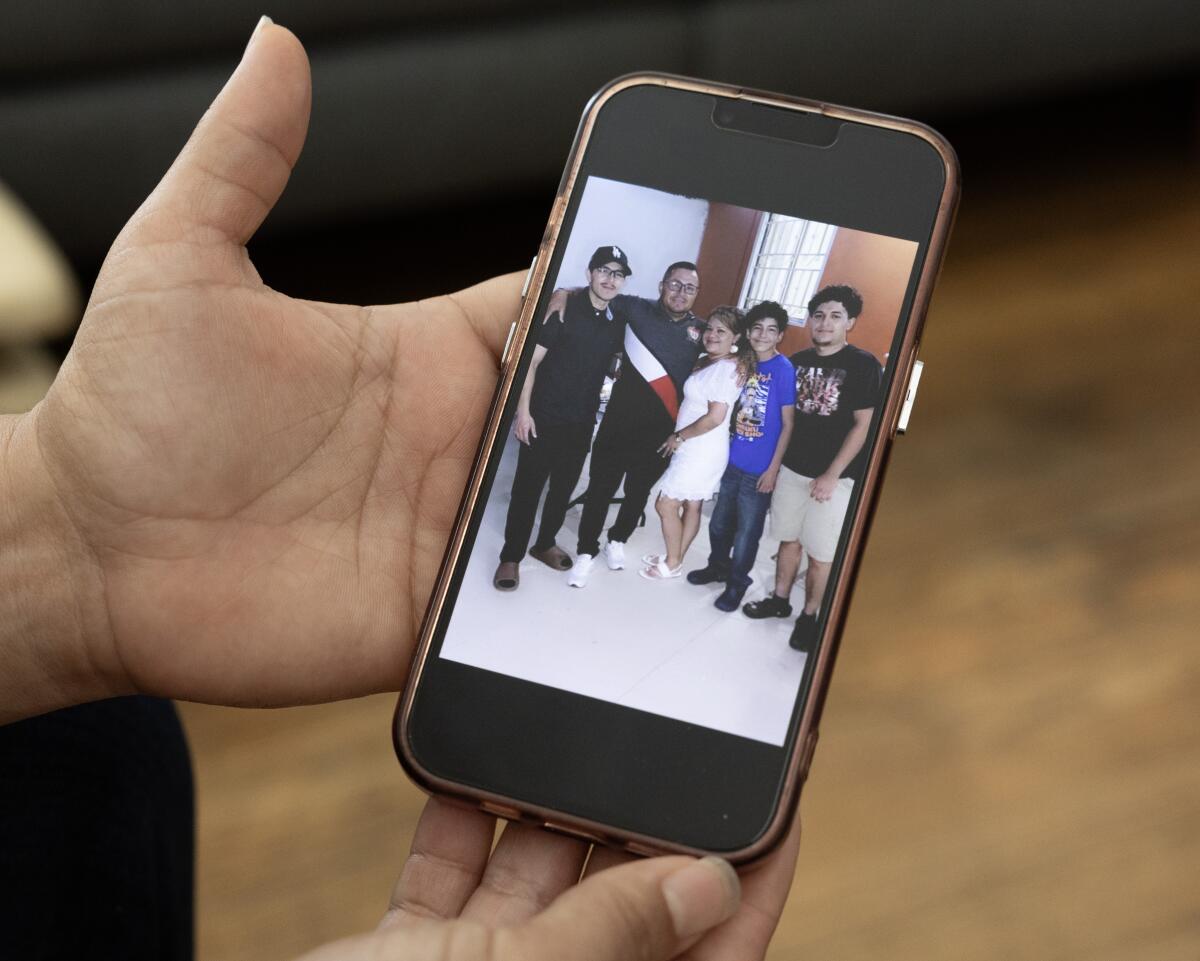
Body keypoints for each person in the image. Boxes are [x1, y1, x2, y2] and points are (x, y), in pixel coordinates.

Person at [0, 18, 801, 961]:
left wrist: (52, 525)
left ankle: (579, 548)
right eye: (628, 271)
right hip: (594, 429)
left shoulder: (687, 333)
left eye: (649, 277)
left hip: (76, 733)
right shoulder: (587, 311)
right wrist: (61, 522)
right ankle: (519, 552)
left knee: (108, 740)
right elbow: (550, 362)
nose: (638, 283)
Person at [743, 285, 882, 652]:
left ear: (849, 322)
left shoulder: (863, 364)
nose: (825, 323)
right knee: (789, 541)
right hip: (792, 470)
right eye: (819, 315)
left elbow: (863, 425)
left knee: (821, 556)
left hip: (836, 480)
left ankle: (809, 616)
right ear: (809, 319)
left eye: (836, 316)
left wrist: (832, 474)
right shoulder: (797, 361)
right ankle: (779, 599)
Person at [557, 263, 705, 587]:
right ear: (662, 285)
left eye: (689, 288)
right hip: (617, 423)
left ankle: (617, 540)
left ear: (696, 294)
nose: (681, 293)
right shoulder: (635, 307)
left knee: (637, 493)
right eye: (675, 284)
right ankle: (585, 551)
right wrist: (560, 294)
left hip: (661, 433)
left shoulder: (703, 331)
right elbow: (594, 295)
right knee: (599, 489)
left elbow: (729, 355)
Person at [494, 246, 628, 590]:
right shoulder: (564, 310)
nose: (610, 279)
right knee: (527, 490)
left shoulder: (617, 321)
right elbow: (531, 364)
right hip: (544, 418)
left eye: (617, 273)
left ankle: (544, 543)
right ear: (589, 273)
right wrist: (522, 412)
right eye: (604, 270)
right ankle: (511, 557)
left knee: (562, 490)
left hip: (581, 422)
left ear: (623, 281)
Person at [688, 301, 796, 611]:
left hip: (759, 470)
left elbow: (788, 424)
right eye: (757, 328)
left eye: (771, 330)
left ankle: (737, 583)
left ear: (780, 336)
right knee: (720, 524)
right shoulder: (741, 363)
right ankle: (717, 567)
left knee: (747, 533)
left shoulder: (783, 369)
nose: (763, 334)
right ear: (747, 332)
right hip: (732, 462)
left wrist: (774, 469)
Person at [640, 306, 753, 580]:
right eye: (710, 328)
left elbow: (715, 417)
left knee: (665, 504)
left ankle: (674, 562)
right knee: (692, 504)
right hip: (695, 444)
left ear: (735, 338)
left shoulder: (726, 370)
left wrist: (679, 436)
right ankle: (674, 557)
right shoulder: (709, 360)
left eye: (721, 331)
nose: (712, 335)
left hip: (701, 447)